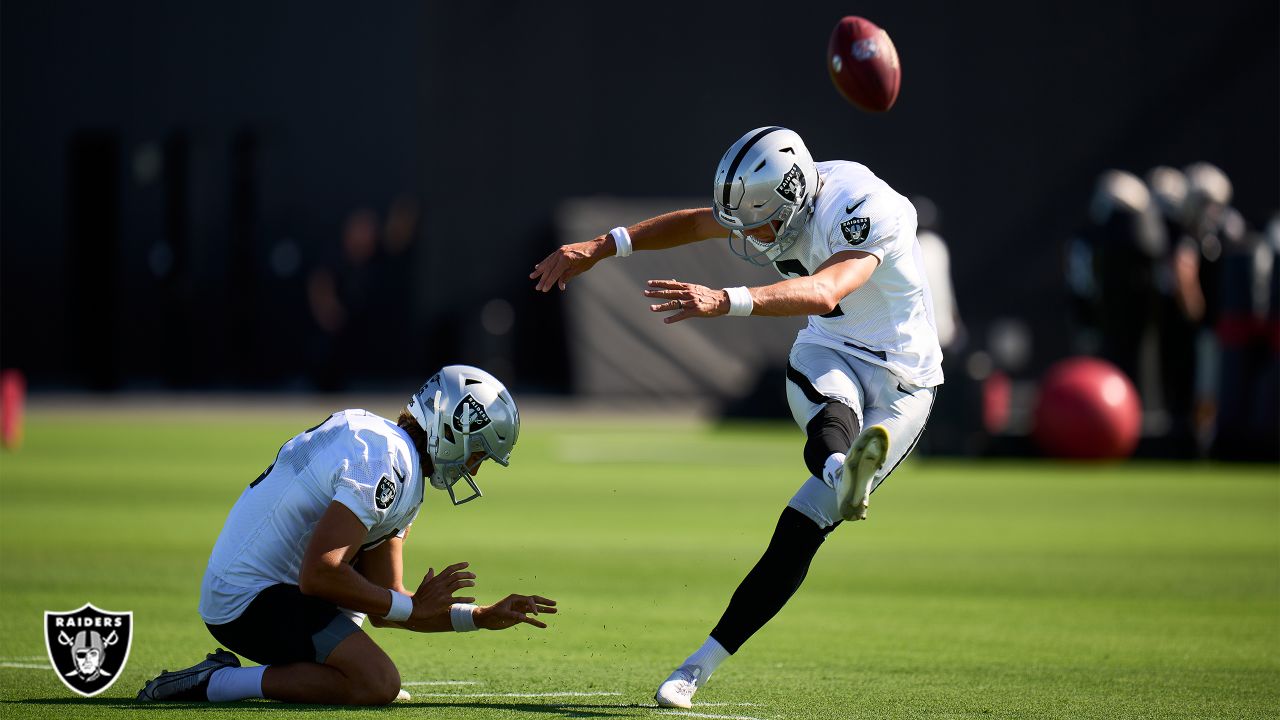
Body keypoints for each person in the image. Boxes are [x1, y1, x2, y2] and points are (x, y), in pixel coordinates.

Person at [531, 126, 942, 709]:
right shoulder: (770, 195)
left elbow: (827, 289)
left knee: (804, 528)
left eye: (761, 224)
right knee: (828, 417)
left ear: (798, 197)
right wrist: (600, 246)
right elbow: (698, 222)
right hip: (832, 348)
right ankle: (698, 664)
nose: (750, 236)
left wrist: (725, 299)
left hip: (906, 380)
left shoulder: (863, 208)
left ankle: (842, 473)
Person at [137, 365, 556, 706]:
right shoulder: (386, 458)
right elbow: (321, 575)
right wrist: (407, 611)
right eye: (477, 453)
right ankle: (217, 683)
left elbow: (386, 602)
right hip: (248, 598)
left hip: (272, 590)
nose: (475, 469)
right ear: (452, 429)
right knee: (377, 683)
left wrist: (479, 618)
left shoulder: (396, 457)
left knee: (368, 674)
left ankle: (308, 677)